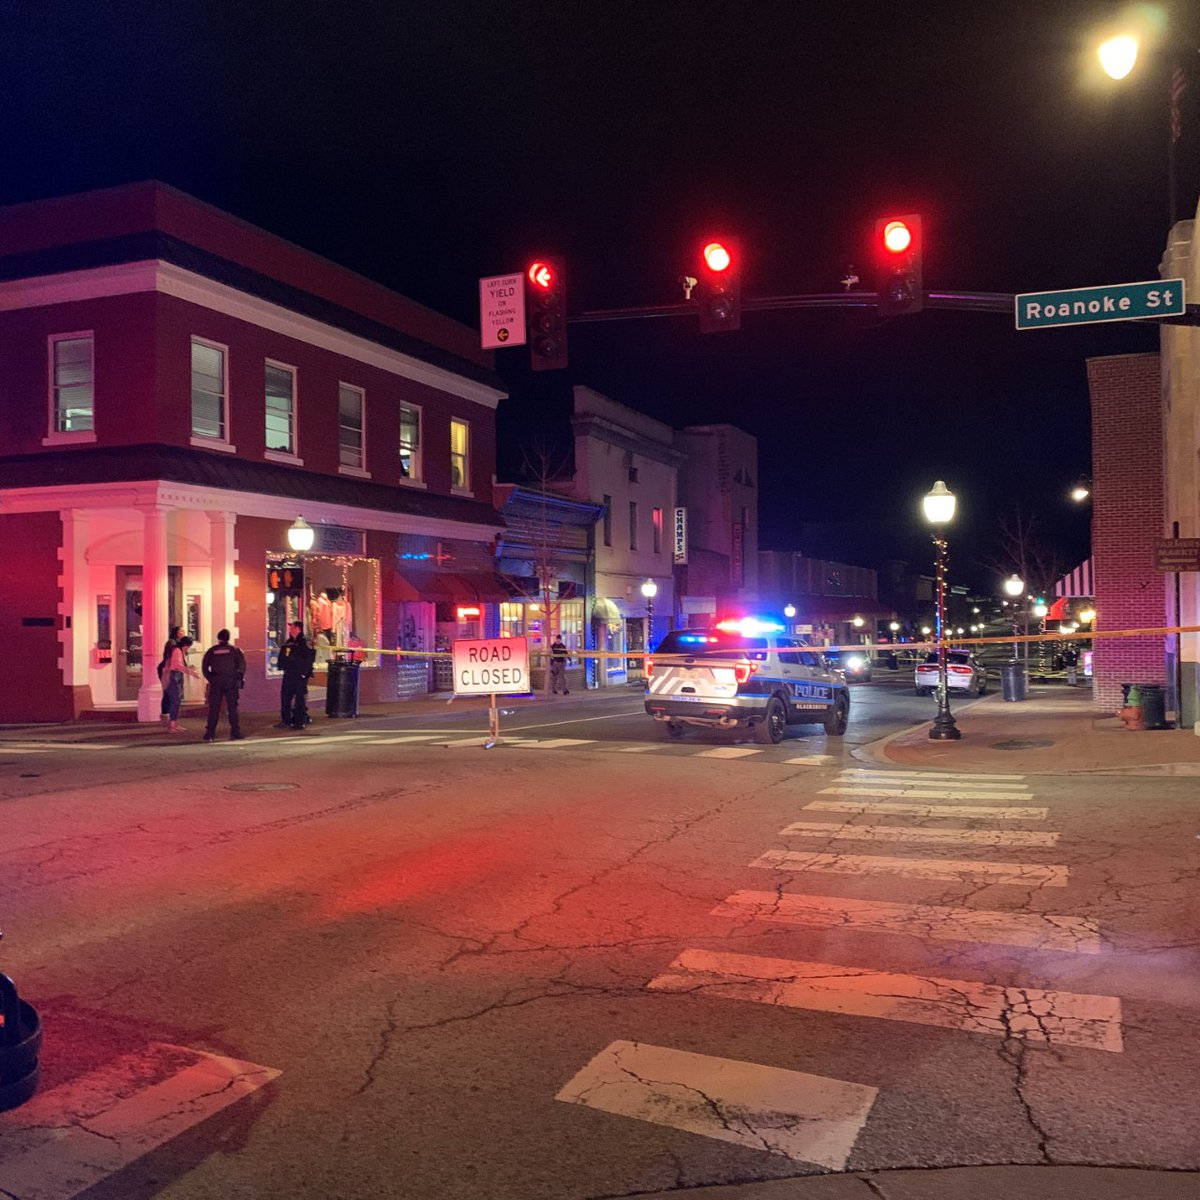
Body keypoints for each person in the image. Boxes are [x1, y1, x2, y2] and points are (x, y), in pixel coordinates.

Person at [201, 628, 246, 741]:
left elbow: (204, 667)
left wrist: (211, 678)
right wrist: (238, 679)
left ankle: (210, 733)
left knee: (214, 708)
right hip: (230, 682)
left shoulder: (212, 651)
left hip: (216, 682)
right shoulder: (235, 650)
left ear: (218, 638)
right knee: (232, 708)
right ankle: (235, 732)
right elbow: (242, 666)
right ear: (228, 638)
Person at [276, 621, 315, 729]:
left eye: (292, 627)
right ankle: (286, 720)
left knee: (299, 699)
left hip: (299, 675)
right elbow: (282, 655)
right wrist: (281, 666)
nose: (290, 629)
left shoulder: (305, 642)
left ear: (298, 629)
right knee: (285, 697)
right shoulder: (288, 642)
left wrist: (304, 673)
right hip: (289, 674)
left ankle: (299, 721)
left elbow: (309, 659)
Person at [160, 635, 199, 732]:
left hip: (173, 676)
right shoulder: (177, 651)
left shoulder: (175, 650)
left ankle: (173, 724)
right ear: (186, 645)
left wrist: (189, 669)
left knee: (175, 701)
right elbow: (177, 665)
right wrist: (191, 672)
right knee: (175, 701)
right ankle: (172, 725)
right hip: (173, 677)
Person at [158, 625, 183, 721]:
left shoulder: (176, 643)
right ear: (176, 632)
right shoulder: (172, 643)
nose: (183, 633)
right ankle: (166, 716)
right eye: (181, 631)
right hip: (168, 670)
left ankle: (166, 716)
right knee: (169, 693)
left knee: (169, 693)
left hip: (170, 669)